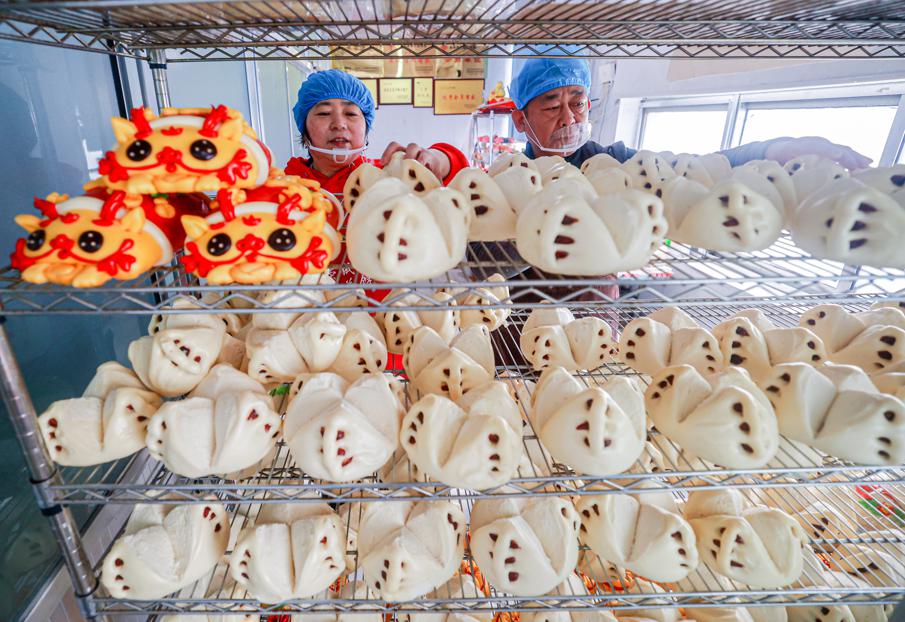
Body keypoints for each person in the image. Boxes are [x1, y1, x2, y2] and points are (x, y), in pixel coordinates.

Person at [509, 57, 871, 169]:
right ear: (521, 121)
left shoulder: (614, 163)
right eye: (553, 106)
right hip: (519, 322)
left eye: (578, 102)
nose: (570, 119)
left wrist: (770, 151)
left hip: (596, 317)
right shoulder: (508, 178)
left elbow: (693, 167)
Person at [285, 69, 469, 196]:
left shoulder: (389, 176)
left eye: (350, 114)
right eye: (324, 113)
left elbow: (460, 175)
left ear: (366, 127)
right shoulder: (284, 186)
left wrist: (436, 159)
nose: (339, 124)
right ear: (304, 126)